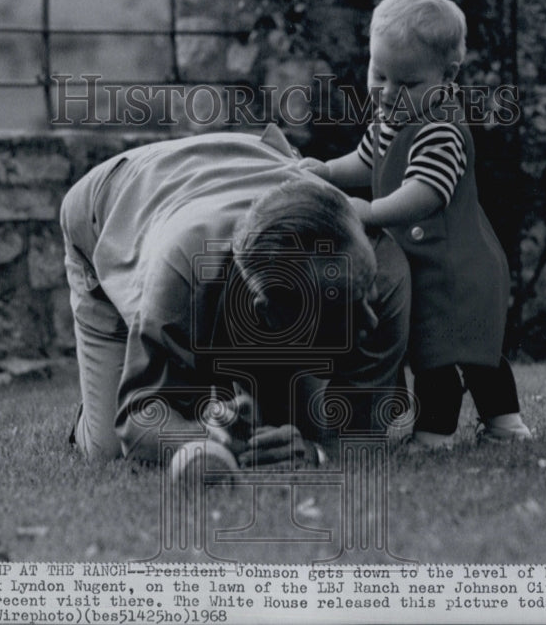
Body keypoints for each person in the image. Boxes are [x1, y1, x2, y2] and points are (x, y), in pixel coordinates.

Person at [60, 124, 411, 465]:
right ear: (271, 313)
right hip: (117, 200)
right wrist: (217, 441)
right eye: (344, 312)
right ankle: (101, 399)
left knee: (303, 425)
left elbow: (359, 438)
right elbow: (139, 424)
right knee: (107, 448)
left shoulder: (381, 267)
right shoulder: (183, 274)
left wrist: (314, 451)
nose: (372, 319)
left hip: (248, 163)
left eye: (369, 295)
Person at [302, 0, 532, 449]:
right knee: (454, 347)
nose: (386, 92)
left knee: (446, 353)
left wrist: (369, 211)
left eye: (405, 83)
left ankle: (438, 432)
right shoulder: (393, 116)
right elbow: (368, 161)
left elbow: (423, 194)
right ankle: (504, 422)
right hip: (429, 264)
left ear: (447, 77)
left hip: (457, 269)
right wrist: (327, 171)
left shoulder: (440, 129)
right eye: (378, 74)